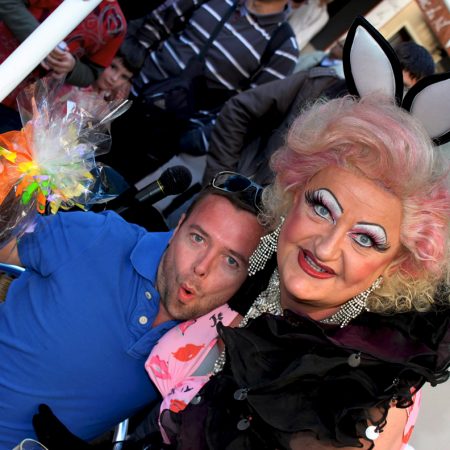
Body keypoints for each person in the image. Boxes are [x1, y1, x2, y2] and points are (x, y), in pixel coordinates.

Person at [0, 178, 265, 448]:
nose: (201, 267)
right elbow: (6, 244)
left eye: (230, 261)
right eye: (197, 238)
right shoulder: (101, 238)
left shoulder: (216, 346)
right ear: (178, 227)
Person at [100, 0, 299, 184]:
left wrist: (196, 139)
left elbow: (251, 109)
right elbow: (157, 25)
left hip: (167, 133)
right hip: (125, 97)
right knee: (82, 157)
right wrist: (124, 75)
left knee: (106, 187)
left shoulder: (283, 46)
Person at [0, 0, 127, 130]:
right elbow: (8, 3)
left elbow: (93, 71)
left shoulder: (115, 25)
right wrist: (40, 41)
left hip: (27, 107)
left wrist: (72, 67)